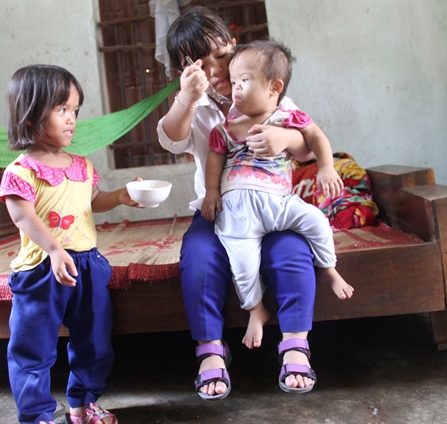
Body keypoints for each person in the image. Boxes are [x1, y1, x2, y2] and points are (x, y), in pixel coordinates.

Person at [157, 6, 338, 399]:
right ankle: (210, 352)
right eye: (202, 66)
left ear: (234, 48)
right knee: (200, 258)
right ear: (184, 73)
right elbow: (170, 137)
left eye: (221, 57)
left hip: (274, 208)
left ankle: (295, 345)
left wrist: (285, 140)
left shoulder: (269, 92)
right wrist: (187, 97)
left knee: (291, 251)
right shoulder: (196, 105)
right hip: (218, 210)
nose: (218, 71)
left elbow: (308, 147)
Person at [0, 64, 137, 424]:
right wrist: (53, 249)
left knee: (94, 341)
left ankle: (83, 404)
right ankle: (38, 415)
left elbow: (93, 200)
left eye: (75, 110)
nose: (72, 119)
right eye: (61, 109)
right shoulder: (21, 171)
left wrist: (120, 195)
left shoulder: (81, 165)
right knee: (33, 350)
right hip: (42, 270)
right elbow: (23, 216)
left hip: (87, 265)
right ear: (30, 116)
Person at [201, 39, 354, 359]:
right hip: (238, 211)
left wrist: (326, 167)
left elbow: (316, 136)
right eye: (234, 80)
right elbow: (214, 159)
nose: (236, 87)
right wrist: (212, 191)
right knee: (241, 264)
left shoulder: (287, 114)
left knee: (316, 220)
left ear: (274, 87)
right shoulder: (226, 126)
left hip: (279, 202)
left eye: (244, 80)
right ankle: (256, 309)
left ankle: (327, 267)